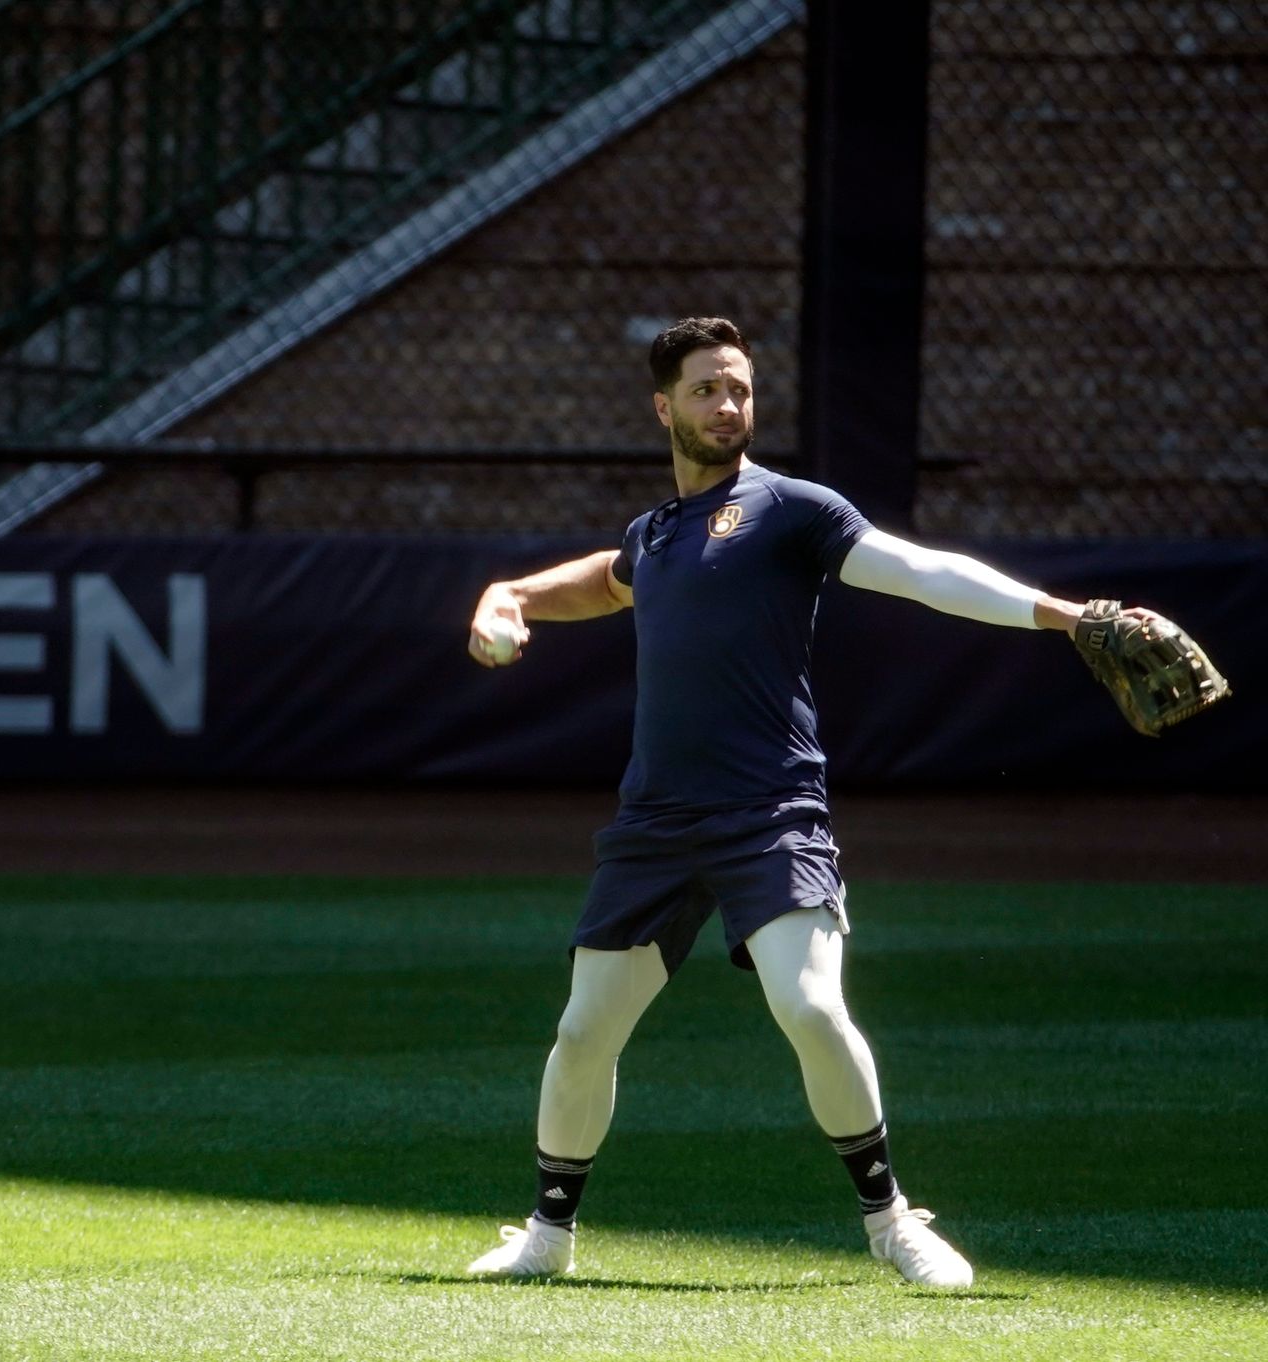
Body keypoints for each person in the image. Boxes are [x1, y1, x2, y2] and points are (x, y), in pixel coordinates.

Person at [463, 316, 1123, 1289]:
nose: (728, 405)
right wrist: (506, 592)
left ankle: (892, 1221)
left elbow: (920, 571)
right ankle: (549, 1235)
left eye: (739, 388)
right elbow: (606, 582)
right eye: (706, 390)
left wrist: (1067, 617)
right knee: (582, 1031)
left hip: (770, 811)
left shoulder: (789, 511)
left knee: (810, 1006)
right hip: (657, 821)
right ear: (664, 407)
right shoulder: (657, 534)